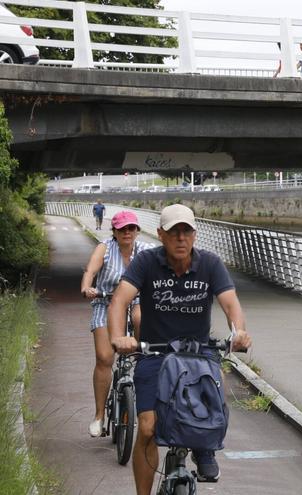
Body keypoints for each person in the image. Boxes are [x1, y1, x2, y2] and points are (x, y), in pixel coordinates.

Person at [108, 204, 251, 495]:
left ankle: (204, 448)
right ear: (161, 234)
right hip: (155, 355)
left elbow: (230, 303)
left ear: (195, 235)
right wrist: (117, 338)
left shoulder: (210, 264)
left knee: (216, 391)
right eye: (174, 232)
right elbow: (119, 300)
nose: (181, 238)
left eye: (187, 231)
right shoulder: (147, 262)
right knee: (147, 429)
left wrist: (239, 332)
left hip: (198, 356)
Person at [80, 210, 152, 438]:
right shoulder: (105, 248)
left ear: (137, 230)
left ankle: (142, 360)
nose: (127, 233)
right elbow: (90, 270)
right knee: (105, 358)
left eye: (131, 228)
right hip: (106, 302)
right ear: (114, 232)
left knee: (141, 318)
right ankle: (99, 416)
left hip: (136, 301)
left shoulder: (146, 251)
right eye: (122, 229)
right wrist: (87, 287)